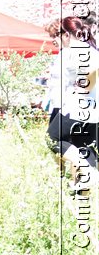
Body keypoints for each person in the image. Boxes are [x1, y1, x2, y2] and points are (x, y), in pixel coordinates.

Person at [45, 16, 99, 184]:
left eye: (56, 35)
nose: (54, 40)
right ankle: (83, 189)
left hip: (77, 108)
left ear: (66, 34)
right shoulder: (83, 49)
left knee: (52, 139)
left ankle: (87, 170)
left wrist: (82, 91)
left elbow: (93, 68)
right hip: (89, 109)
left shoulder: (76, 49)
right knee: (83, 145)